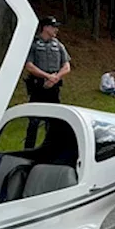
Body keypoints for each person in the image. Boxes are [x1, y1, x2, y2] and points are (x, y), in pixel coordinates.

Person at [23, 15, 71, 148]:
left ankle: (51, 147)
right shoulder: (33, 44)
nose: (56, 30)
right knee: (34, 120)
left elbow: (67, 66)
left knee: (55, 120)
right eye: (53, 27)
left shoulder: (59, 45)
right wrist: (47, 76)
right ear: (45, 28)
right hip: (38, 86)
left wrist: (56, 78)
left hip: (54, 87)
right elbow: (29, 65)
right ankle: (29, 148)